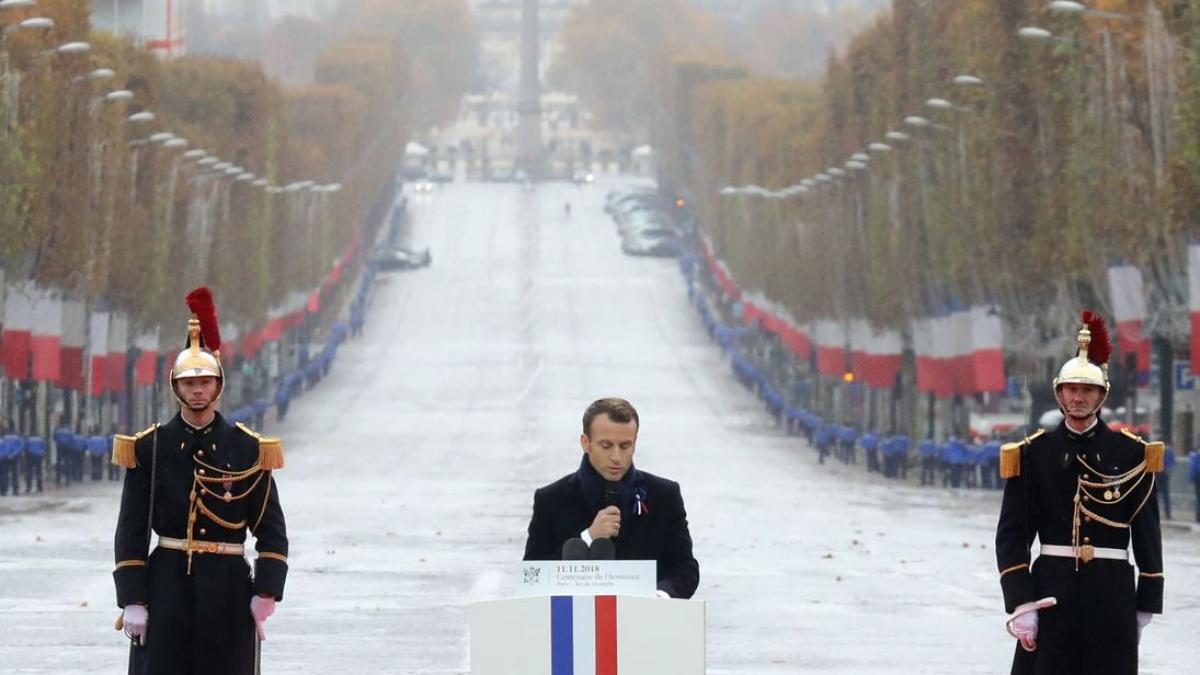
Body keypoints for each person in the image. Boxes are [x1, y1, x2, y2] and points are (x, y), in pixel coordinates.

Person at [111, 287, 288, 674]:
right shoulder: (149, 447)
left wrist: (266, 590)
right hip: (166, 587)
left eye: (205, 382)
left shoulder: (246, 448)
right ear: (176, 387)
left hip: (227, 592)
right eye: (189, 383)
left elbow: (271, 530)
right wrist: (133, 598)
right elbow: (131, 529)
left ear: (218, 386)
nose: (197, 390)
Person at [995, 312, 1162, 675]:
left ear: (1101, 396)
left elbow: (1148, 533)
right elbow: (1012, 536)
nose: (1078, 398)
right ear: (1059, 394)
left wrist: (1146, 600)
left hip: (1112, 594)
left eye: (1087, 390)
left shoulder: (1132, 454)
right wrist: (1022, 603)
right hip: (1051, 593)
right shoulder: (1032, 454)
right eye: (1071, 390)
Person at [523, 397, 699, 599]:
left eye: (625, 446)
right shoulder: (551, 499)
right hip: (573, 622)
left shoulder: (665, 495)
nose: (616, 457)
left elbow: (685, 568)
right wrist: (587, 538)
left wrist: (660, 596)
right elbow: (532, 575)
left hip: (647, 622)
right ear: (585, 443)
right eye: (606, 446)